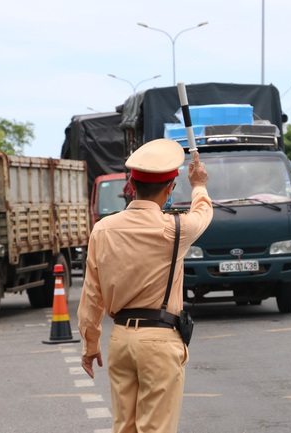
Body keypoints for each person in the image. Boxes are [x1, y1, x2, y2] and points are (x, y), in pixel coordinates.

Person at [78, 139, 213, 433]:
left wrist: (90, 344)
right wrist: (199, 184)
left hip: (121, 340)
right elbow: (204, 213)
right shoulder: (175, 229)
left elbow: (92, 294)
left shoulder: (102, 229)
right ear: (169, 189)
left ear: (131, 184)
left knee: (124, 428)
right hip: (159, 341)